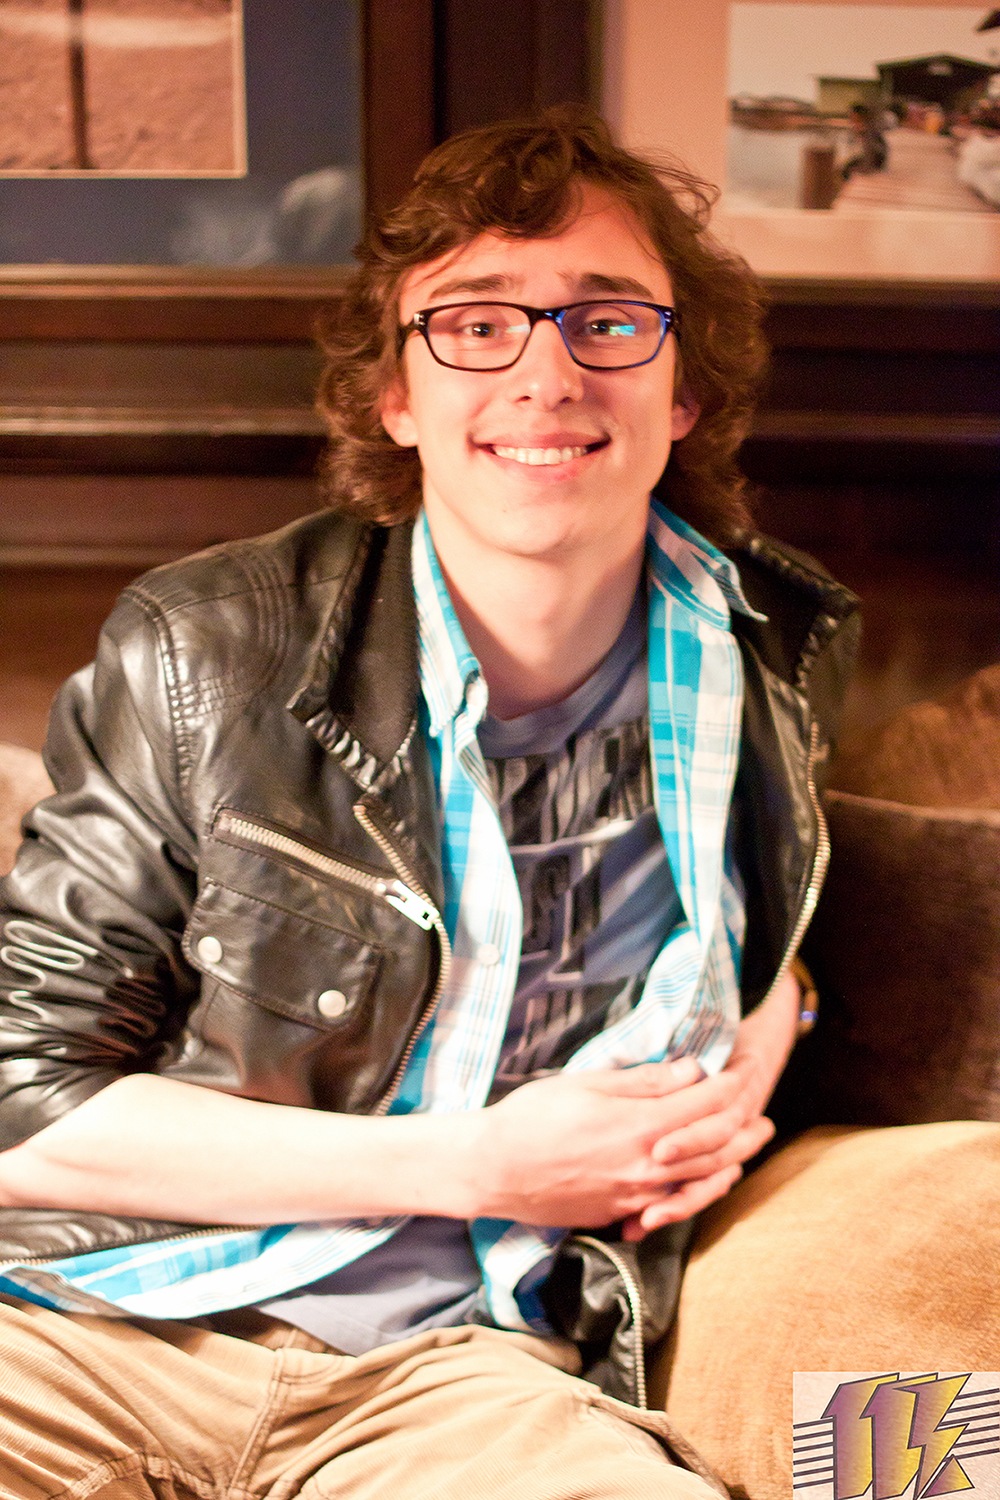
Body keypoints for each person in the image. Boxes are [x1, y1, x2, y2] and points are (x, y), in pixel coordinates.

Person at [0, 107, 858, 1499]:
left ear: (683, 391)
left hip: (472, 1374)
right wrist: (477, 1166)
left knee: (940, 1433)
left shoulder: (775, 646)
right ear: (397, 396)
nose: (544, 374)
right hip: (94, 1321)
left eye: (607, 322)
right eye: (474, 324)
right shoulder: (204, 646)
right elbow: (20, 1103)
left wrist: (778, 1018)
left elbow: (786, 907)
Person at [840, 103, 888, 180]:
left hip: (875, 161)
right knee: (845, 167)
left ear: (858, 115)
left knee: (845, 170)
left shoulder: (867, 129)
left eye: (852, 115)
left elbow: (872, 151)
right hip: (871, 159)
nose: (850, 118)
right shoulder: (865, 127)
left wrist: (864, 169)